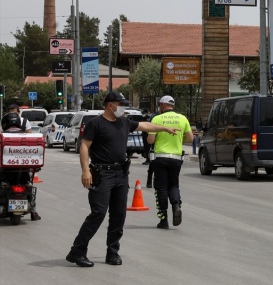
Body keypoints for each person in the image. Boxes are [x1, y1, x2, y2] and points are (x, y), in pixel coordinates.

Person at [65, 91, 180, 267]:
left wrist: (164, 128)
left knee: (119, 215)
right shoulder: (95, 124)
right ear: (110, 105)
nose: (123, 108)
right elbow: (84, 146)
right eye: (121, 104)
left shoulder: (124, 122)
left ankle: (112, 252)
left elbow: (145, 126)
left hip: (121, 174)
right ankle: (77, 251)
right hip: (102, 174)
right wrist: (85, 171)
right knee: (98, 213)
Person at [147, 95, 193, 229]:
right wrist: (178, 139)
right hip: (176, 158)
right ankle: (176, 205)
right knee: (173, 185)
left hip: (160, 158)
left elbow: (150, 140)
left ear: (162, 105)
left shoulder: (157, 118)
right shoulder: (183, 118)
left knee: (161, 188)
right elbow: (190, 139)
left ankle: (163, 220)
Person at [1, 106, 40, 221]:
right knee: (29, 185)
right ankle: (34, 212)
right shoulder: (27, 138)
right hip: (24, 171)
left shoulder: (3, 137)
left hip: (6, 172)